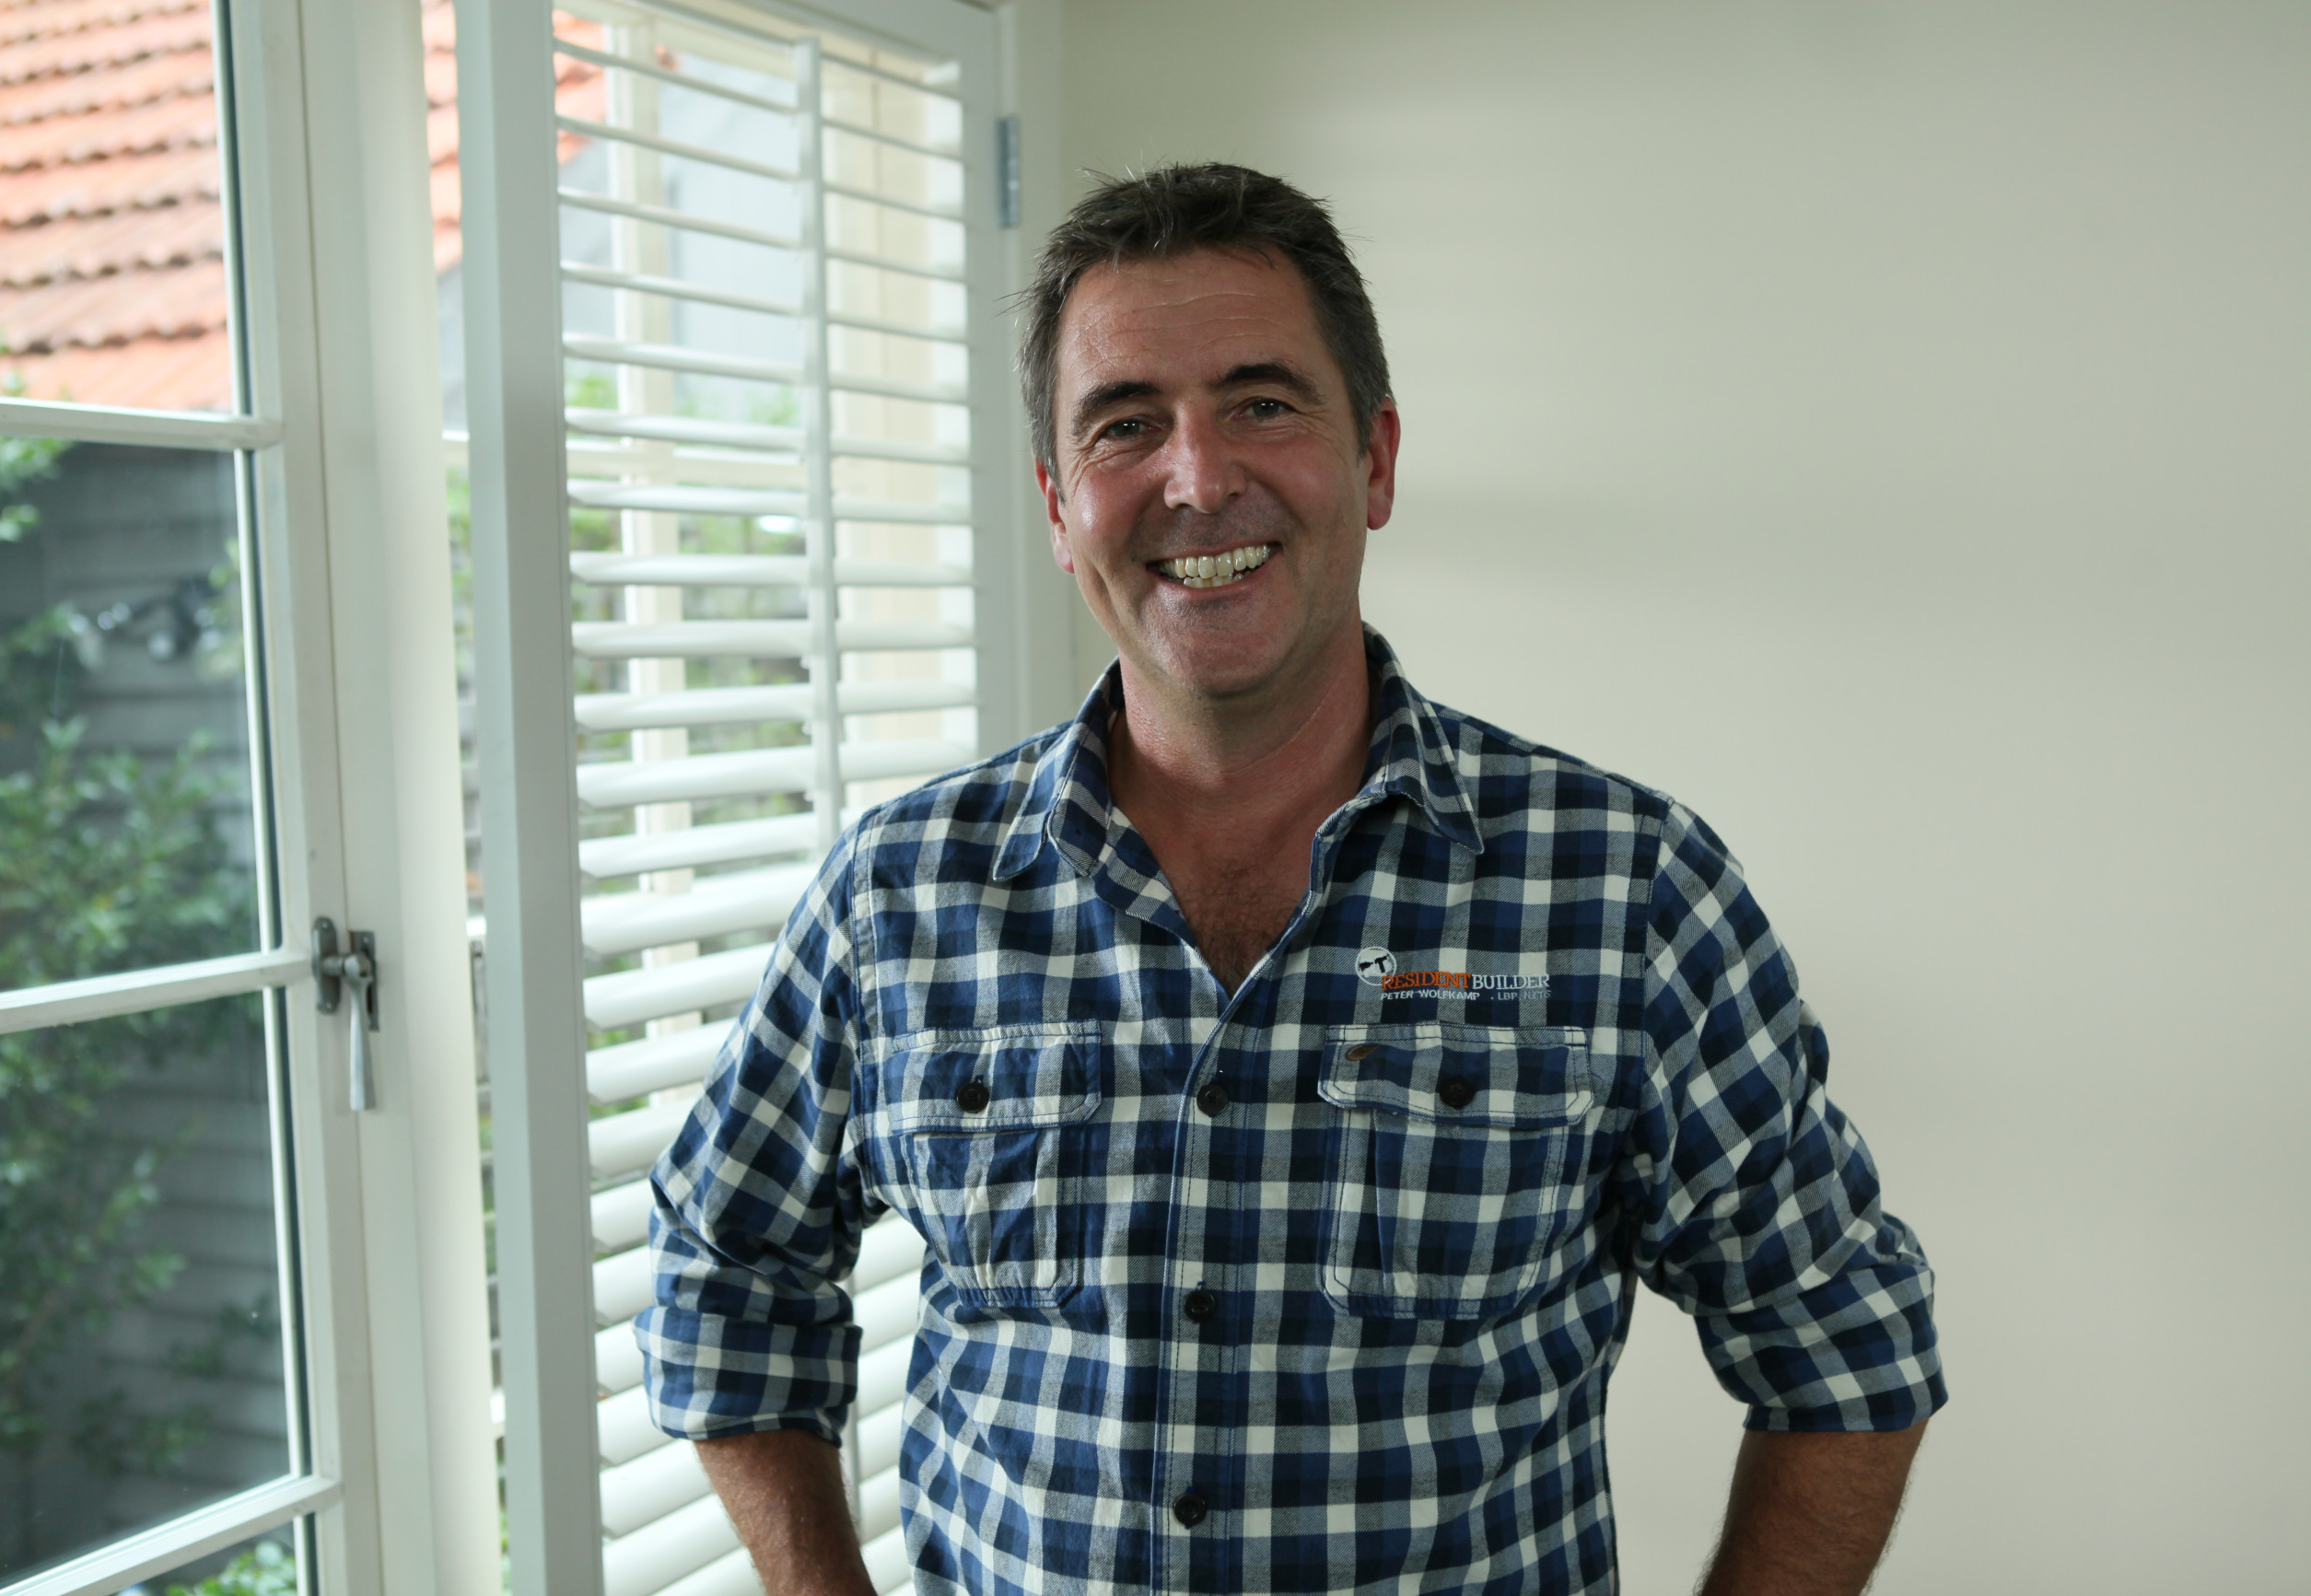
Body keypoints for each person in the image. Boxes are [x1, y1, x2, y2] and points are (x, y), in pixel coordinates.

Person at [636, 162, 1944, 1596]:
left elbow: (1844, 1342)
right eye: (1126, 425)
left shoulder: (1628, 891)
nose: (1200, 479)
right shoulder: (897, 899)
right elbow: (728, 1264)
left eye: (1261, 402)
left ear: (1375, 459)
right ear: (1061, 506)